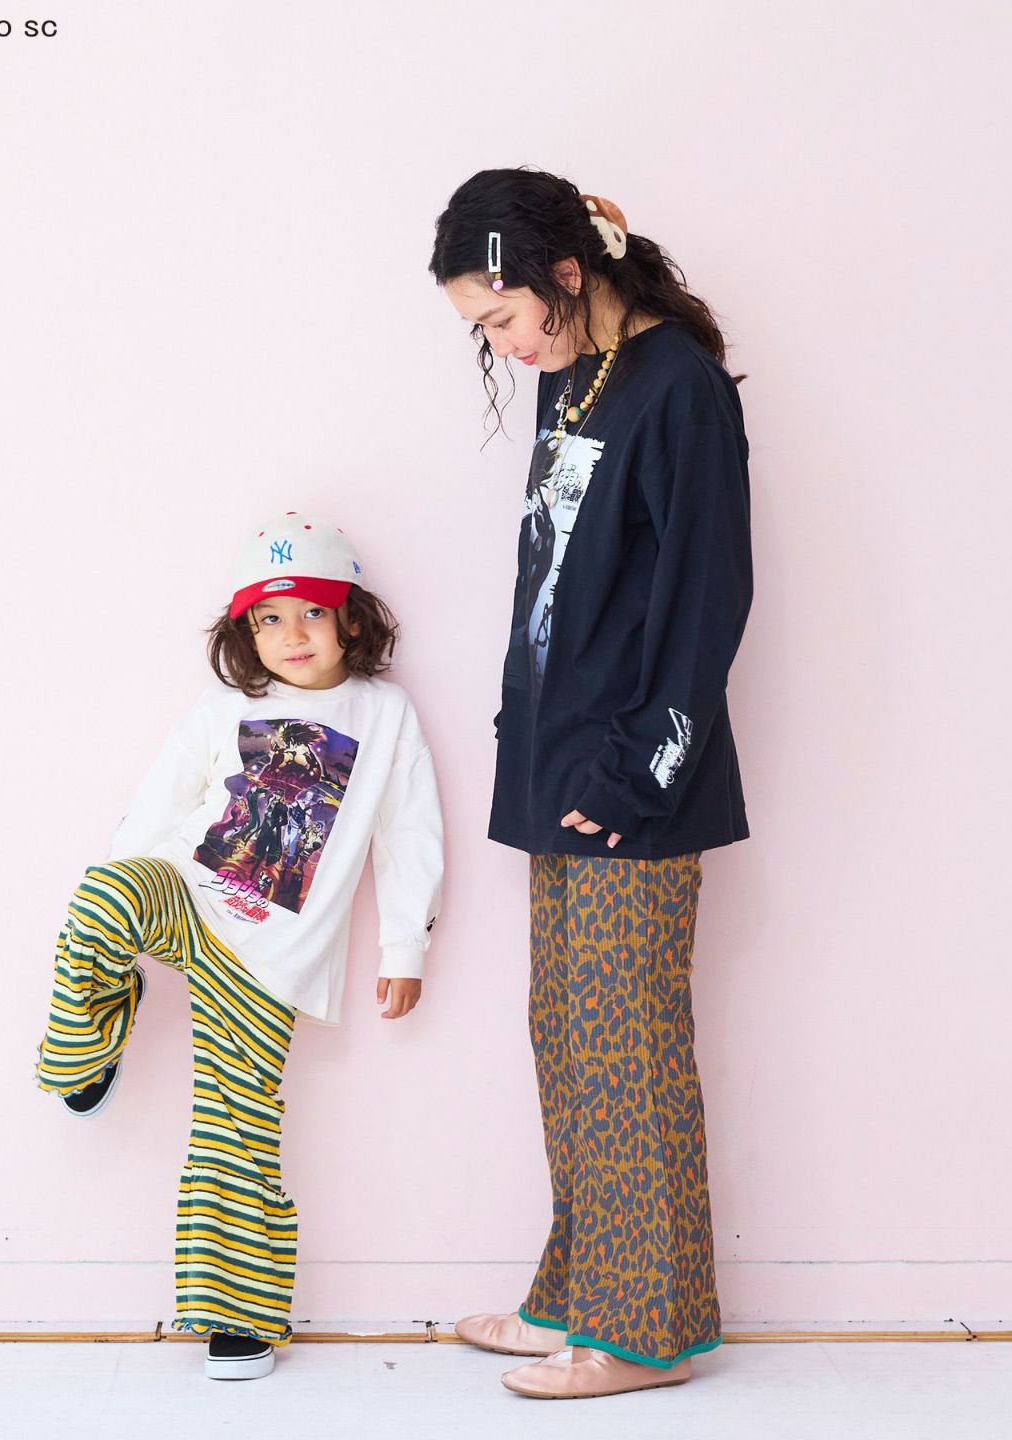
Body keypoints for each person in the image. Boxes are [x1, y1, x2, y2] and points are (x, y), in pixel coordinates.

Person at [429, 168, 753, 1402]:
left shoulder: (679, 389)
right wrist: (527, 724)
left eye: (503, 317)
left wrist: (638, 770)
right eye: (484, 330)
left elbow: (709, 600)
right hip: (558, 759)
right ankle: (577, 1296)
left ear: (566, 274)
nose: (503, 346)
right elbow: (555, 572)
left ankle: (642, 1331)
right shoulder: (574, 376)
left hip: (634, 777)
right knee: (567, 1037)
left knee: (629, 1050)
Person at [34, 512, 444, 1381]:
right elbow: (163, 796)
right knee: (104, 893)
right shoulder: (225, 707)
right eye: (269, 619)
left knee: (234, 1128)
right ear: (244, 635)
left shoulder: (383, 714)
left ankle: (237, 1317)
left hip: (272, 959)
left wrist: (403, 947)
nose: (292, 635)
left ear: (351, 620)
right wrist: (122, 885)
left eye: (312, 614)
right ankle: (90, 1044)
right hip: (189, 895)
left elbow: (409, 832)